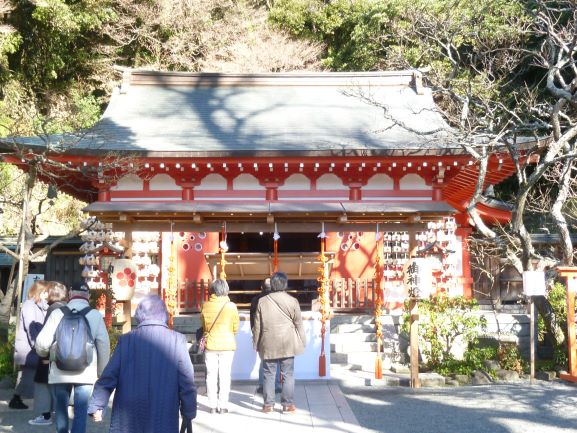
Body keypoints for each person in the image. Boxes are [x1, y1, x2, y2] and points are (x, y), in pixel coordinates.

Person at [88, 295, 197, 433]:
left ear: (139, 314)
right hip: (163, 413)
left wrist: (98, 405)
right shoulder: (177, 340)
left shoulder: (126, 340)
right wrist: (189, 411)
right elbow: (187, 381)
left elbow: (109, 376)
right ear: (163, 314)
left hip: (129, 414)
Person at [35, 281, 110, 433]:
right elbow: (103, 345)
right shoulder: (95, 315)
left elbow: (42, 343)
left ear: (70, 294)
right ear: (88, 296)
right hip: (86, 372)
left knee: (61, 408)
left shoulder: (57, 313)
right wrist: (101, 373)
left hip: (60, 370)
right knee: (81, 411)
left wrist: (45, 355)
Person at [253, 272, 306, 414]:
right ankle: (287, 405)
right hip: (288, 342)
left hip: (268, 342)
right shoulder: (292, 301)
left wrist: (256, 344)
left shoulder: (262, 301)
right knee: (288, 374)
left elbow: (257, 326)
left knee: (268, 375)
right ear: (285, 284)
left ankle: (268, 405)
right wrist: (302, 341)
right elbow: (299, 324)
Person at [29, 281, 69, 426]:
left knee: (43, 384)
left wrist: (44, 356)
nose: (45, 294)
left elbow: (47, 336)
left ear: (52, 293)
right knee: (56, 387)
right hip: (63, 353)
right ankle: (55, 415)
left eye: (47, 291)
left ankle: (45, 416)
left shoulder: (53, 309)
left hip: (49, 354)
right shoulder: (66, 307)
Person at [200, 278, 239, 414]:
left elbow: (204, 326)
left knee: (211, 375)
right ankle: (223, 406)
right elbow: (235, 327)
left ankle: (211, 405)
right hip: (227, 345)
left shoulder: (205, 306)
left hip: (211, 344)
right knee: (225, 375)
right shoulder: (232, 306)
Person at [10, 279, 48, 410]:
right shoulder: (29, 305)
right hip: (29, 346)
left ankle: (17, 398)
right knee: (28, 373)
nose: (47, 294)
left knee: (27, 374)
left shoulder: (39, 305)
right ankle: (16, 398)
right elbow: (30, 327)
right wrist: (38, 345)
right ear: (39, 292)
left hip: (31, 346)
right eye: (45, 292)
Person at [249, 277, 281, 395]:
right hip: (276, 334)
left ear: (261, 287)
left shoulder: (255, 300)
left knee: (263, 361)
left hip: (261, 334)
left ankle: (263, 385)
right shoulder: (277, 299)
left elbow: (253, 320)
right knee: (276, 360)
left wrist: (254, 334)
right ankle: (276, 385)